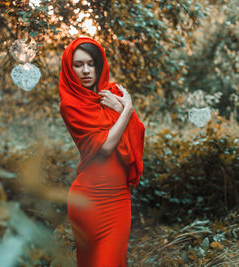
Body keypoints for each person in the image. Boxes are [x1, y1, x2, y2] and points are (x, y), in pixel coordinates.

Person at [59, 37, 145, 267]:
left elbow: (138, 131)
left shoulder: (112, 93)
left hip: (118, 198)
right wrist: (126, 109)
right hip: (87, 199)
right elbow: (106, 146)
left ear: (99, 64)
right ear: (69, 68)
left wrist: (119, 108)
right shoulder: (71, 104)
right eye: (78, 65)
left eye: (91, 63)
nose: (86, 70)